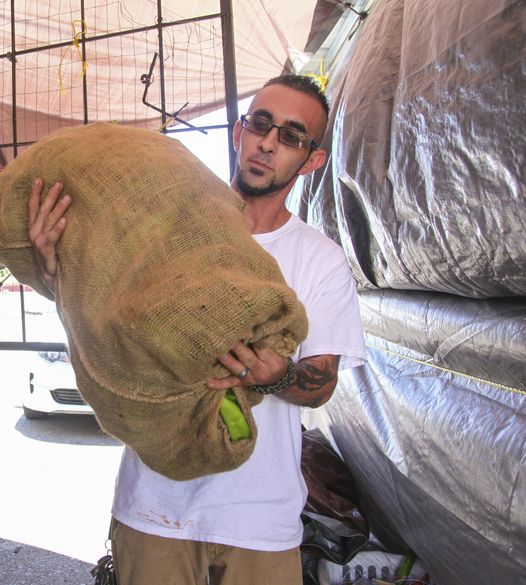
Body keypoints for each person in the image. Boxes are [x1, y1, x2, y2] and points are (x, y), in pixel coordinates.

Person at [28, 74, 366, 585]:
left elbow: (322, 383)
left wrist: (275, 376)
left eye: (292, 136)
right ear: (238, 132)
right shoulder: (165, 225)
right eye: (260, 124)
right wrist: (54, 267)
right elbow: (105, 318)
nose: (268, 143)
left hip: (260, 521)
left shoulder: (322, 260)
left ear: (311, 160)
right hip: (153, 508)